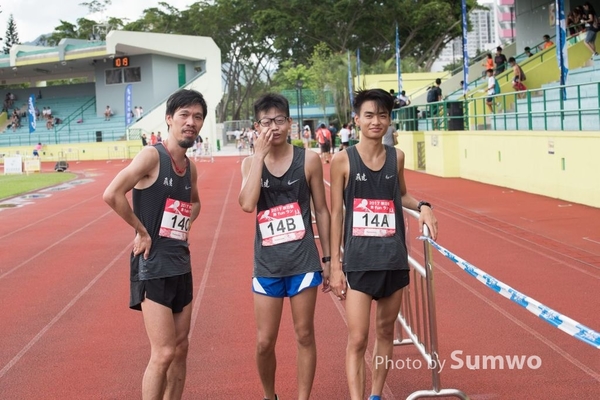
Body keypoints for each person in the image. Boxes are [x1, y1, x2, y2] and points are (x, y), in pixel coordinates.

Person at [328, 88, 437, 400]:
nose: (376, 121)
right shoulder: (342, 161)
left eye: (382, 115)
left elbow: (401, 195)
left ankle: (375, 395)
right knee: (358, 338)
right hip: (359, 262)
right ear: (357, 120)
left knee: (386, 332)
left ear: (390, 120)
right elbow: (337, 214)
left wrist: (424, 206)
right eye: (369, 115)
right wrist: (335, 265)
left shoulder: (396, 157)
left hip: (393, 259)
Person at [103, 89, 206, 400]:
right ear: (169, 119)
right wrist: (141, 230)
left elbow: (196, 202)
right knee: (162, 353)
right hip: (152, 265)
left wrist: (183, 224)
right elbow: (112, 194)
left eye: (198, 117)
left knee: (181, 347)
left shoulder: (190, 166)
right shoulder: (151, 156)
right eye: (185, 115)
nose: (192, 122)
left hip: (180, 263)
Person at [238, 93, 331, 400]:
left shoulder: (310, 160)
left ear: (290, 124)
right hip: (267, 265)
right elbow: (247, 204)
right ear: (256, 126)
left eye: (280, 120)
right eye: (266, 121)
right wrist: (259, 157)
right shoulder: (250, 164)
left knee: (305, 334)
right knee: (265, 341)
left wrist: (329, 259)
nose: (273, 127)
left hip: (303, 262)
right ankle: (270, 396)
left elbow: (322, 210)